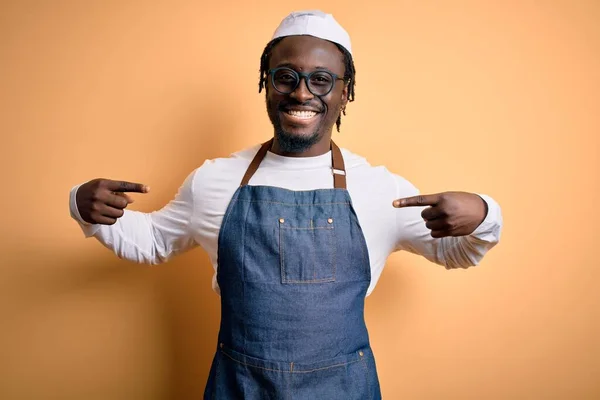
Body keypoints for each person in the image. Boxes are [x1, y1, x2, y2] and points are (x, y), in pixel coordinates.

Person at [69, 10, 502, 399]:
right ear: (266, 83)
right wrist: (84, 208)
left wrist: (483, 213)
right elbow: (153, 241)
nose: (301, 93)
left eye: (321, 79)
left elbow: (457, 253)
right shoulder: (215, 179)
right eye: (285, 76)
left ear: (345, 92)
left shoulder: (377, 187)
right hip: (238, 389)